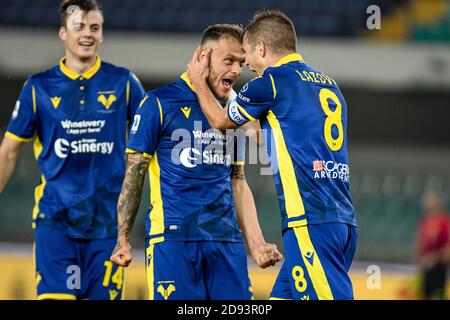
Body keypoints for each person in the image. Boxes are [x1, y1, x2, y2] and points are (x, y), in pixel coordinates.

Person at [187, 9, 358, 300]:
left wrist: (199, 81)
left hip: (309, 221)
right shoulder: (328, 84)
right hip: (342, 221)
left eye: (247, 54)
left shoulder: (272, 82)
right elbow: (268, 133)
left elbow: (219, 121)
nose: (246, 66)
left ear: (262, 48)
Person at [110, 24, 282, 300]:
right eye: (229, 61)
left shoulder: (233, 112)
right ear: (203, 57)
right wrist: (122, 237)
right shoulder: (158, 103)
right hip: (174, 241)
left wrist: (257, 243)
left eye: (241, 63)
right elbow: (134, 174)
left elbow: (237, 181)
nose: (237, 71)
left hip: (226, 243)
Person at [0, 0, 145, 300]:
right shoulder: (38, 87)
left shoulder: (124, 83)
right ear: (63, 33)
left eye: (95, 27)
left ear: (102, 34)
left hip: (108, 230)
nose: (87, 34)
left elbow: (154, 135)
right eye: (79, 27)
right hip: (56, 222)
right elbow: (8, 152)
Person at [415, 191, 450, 299]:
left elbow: (447, 246)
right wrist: (420, 258)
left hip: (438, 268)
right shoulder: (425, 221)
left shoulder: (444, 221)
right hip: (426, 267)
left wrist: (435, 258)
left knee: (437, 295)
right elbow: (420, 242)